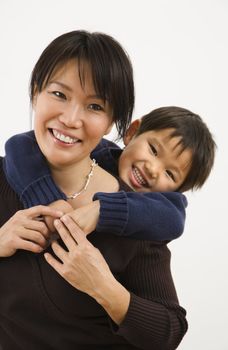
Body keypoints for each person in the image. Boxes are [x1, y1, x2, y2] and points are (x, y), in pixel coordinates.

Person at [0, 29, 190, 350]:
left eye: (95, 107)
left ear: (112, 123)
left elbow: (168, 333)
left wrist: (103, 287)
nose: (71, 119)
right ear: (36, 92)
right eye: (59, 94)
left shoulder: (135, 211)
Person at [4, 106, 215, 243]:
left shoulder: (164, 208)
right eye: (153, 150)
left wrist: (102, 209)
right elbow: (20, 144)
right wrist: (50, 201)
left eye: (170, 174)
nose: (153, 169)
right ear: (132, 132)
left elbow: (174, 220)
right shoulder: (98, 152)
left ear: (177, 191)